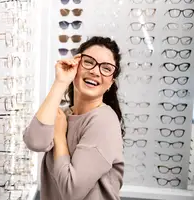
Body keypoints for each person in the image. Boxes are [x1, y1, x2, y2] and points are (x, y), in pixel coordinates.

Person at [23, 36, 125, 200]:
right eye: (89, 62)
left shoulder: (104, 121)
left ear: (111, 83)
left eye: (106, 68)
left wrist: (59, 137)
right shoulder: (63, 114)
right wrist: (60, 82)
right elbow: (34, 142)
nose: (95, 71)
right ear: (76, 65)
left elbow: (71, 191)